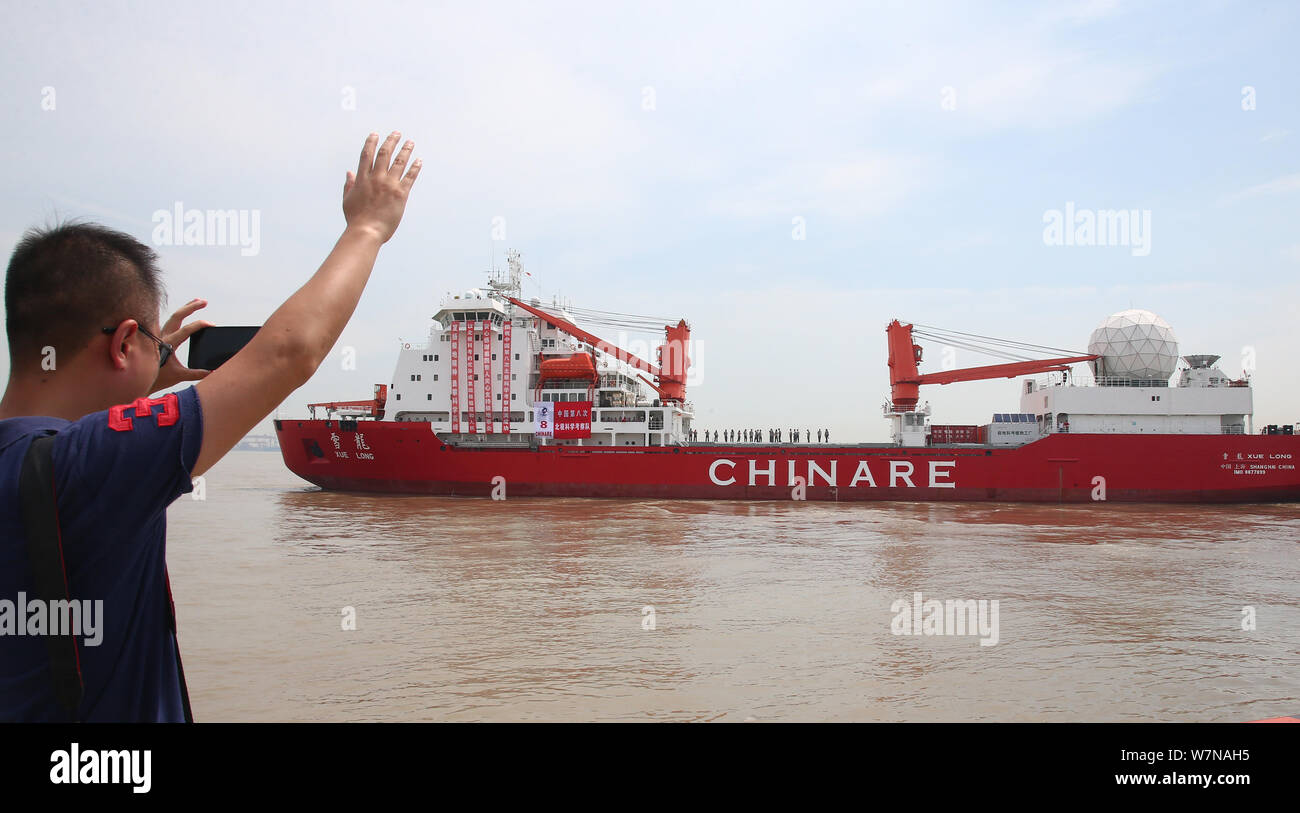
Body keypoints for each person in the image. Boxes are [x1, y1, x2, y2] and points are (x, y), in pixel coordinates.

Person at [0, 131, 422, 722]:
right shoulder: (92, 465)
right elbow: (288, 353)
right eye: (148, 340)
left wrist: (137, 375)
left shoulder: (50, 460)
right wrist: (367, 229)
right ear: (124, 342)